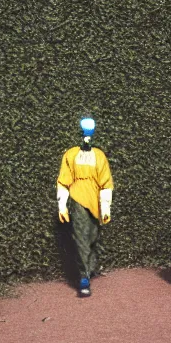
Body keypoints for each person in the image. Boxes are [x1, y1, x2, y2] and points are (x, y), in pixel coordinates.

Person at [56, 117, 114, 297]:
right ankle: (83, 277)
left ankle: (89, 268)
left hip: (94, 200)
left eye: (89, 135)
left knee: (92, 237)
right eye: (84, 135)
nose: (86, 139)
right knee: (81, 237)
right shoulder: (71, 154)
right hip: (78, 198)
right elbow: (64, 181)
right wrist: (62, 205)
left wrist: (105, 208)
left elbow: (105, 183)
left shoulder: (99, 155)